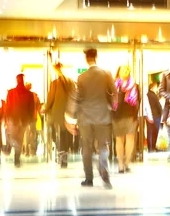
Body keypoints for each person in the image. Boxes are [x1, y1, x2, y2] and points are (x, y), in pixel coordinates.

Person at [65, 48, 116, 189]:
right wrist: (111, 107)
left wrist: (70, 118)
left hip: (86, 118)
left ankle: (88, 179)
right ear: (96, 57)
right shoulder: (106, 74)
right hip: (103, 116)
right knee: (103, 146)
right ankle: (103, 168)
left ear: (86, 59)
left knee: (86, 148)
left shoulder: (81, 77)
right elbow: (114, 93)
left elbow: (76, 98)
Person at [44, 62, 75, 168]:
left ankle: (62, 157)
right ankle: (65, 156)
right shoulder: (71, 82)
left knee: (58, 136)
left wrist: (46, 109)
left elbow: (50, 99)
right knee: (66, 136)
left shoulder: (55, 83)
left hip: (58, 114)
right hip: (70, 114)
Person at [113, 65, 140, 173]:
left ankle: (127, 162)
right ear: (118, 72)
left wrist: (135, 116)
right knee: (119, 139)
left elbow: (138, 101)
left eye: (127, 69)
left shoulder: (135, 86)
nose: (125, 71)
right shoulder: (114, 86)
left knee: (130, 139)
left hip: (130, 116)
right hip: (117, 116)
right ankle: (120, 164)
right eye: (123, 69)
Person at [6, 74, 35, 168]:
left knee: (14, 138)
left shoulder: (11, 92)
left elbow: (8, 107)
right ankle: (17, 158)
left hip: (14, 119)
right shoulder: (29, 94)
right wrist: (30, 120)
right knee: (20, 138)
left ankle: (16, 155)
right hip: (24, 120)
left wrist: (7, 118)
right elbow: (31, 108)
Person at [143, 82, 162, 153]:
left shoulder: (147, 95)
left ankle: (150, 148)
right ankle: (153, 147)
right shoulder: (154, 95)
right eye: (156, 87)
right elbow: (158, 106)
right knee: (155, 132)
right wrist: (161, 114)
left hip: (148, 116)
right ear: (153, 87)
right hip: (156, 115)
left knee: (149, 133)